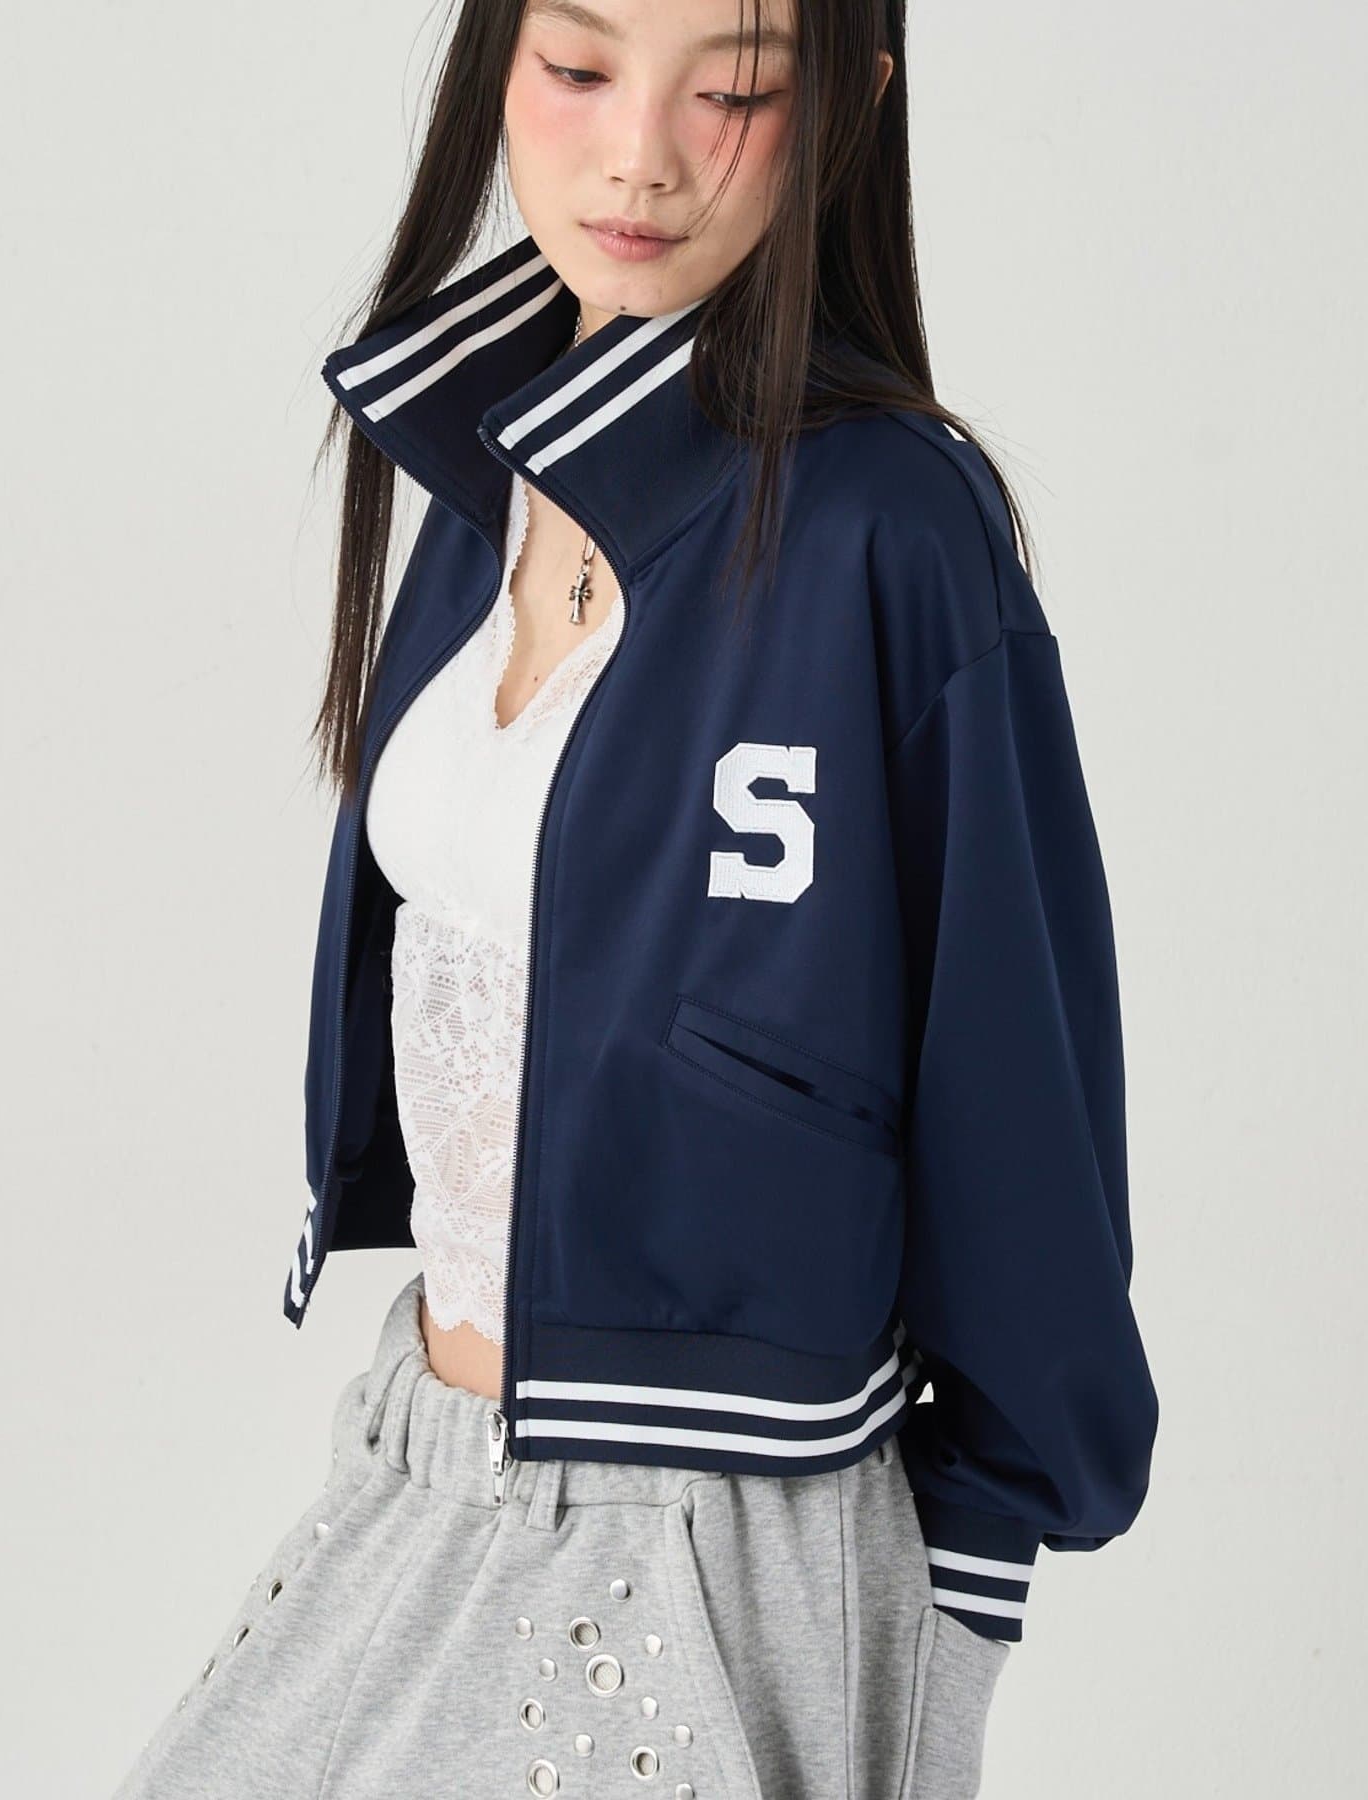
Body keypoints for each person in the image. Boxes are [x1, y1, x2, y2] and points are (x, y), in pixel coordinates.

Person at [113, 1, 1160, 1795]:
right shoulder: (491, 476)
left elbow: (1021, 1101)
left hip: (712, 1551)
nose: (642, 156)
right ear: (495, 67)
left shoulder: (894, 532)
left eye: (732, 88)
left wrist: (957, 1619)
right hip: (415, 1462)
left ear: (845, 108)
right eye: (580, 69)